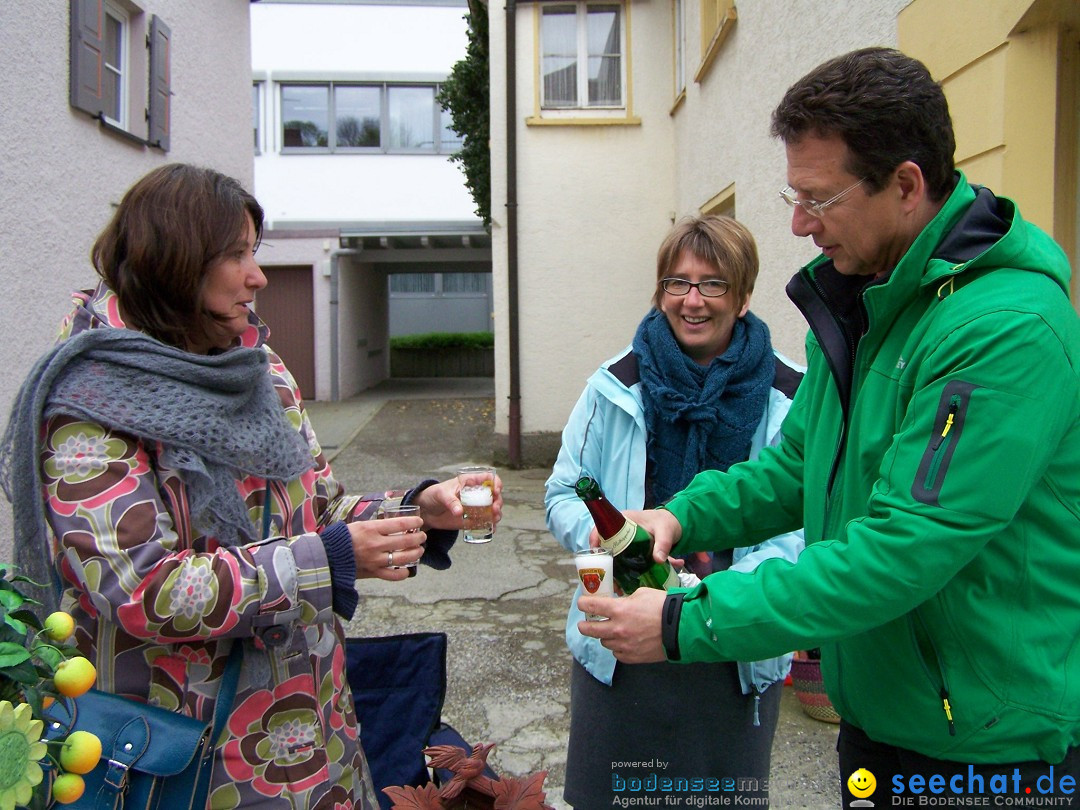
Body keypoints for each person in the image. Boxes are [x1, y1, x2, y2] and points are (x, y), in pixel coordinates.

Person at [578, 47, 1080, 804]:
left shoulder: (1003, 330)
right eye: (793, 192)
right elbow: (792, 469)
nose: (800, 222)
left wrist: (687, 623)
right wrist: (677, 514)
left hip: (988, 751)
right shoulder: (863, 304)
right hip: (884, 720)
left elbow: (902, 550)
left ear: (906, 185)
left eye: (819, 197)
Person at [0, 163, 503, 809]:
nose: (258, 275)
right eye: (235, 255)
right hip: (188, 751)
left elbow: (316, 511)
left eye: (254, 252)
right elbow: (140, 587)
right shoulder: (87, 403)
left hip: (313, 726)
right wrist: (333, 558)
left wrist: (419, 510)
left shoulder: (255, 369)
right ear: (174, 262)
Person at [546, 215, 804, 808]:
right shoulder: (614, 385)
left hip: (733, 642)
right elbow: (562, 493)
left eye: (713, 284)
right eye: (677, 282)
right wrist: (604, 533)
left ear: (742, 297)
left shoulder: (791, 393)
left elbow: (799, 528)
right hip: (619, 644)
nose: (692, 300)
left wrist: (704, 607)